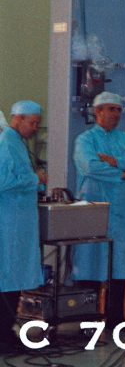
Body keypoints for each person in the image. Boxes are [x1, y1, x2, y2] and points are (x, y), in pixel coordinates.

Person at [71, 92, 125, 326]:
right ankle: (88, 318)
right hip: (94, 207)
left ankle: (116, 318)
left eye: (118, 110)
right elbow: (90, 166)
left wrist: (115, 161)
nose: (115, 114)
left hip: (122, 211)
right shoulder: (85, 140)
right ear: (98, 112)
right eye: (110, 109)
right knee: (90, 262)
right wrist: (121, 173)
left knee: (118, 265)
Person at [0, 101, 45, 353]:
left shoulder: (17, 144)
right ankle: (3, 335)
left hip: (19, 222)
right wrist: (34, 179)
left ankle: (6, 332)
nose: (35, 128)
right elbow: (3, 181)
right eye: (33, 123)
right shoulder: (7, 143)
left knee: (13, 278)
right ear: (17, 119)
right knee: (8, 277)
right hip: (10, 222)